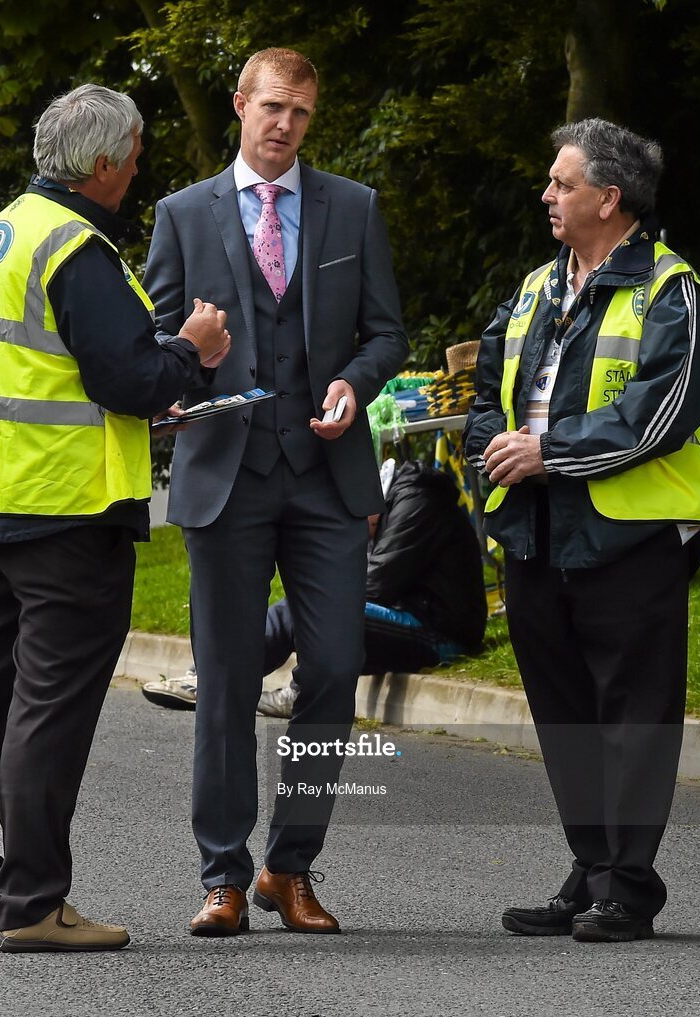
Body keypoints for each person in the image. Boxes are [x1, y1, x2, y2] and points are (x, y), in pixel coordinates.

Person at [0, 84, 230, 953]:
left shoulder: (4, 233)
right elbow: (127, 378)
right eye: (134, 153)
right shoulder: (78, 246)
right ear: (101, 163)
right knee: (47, 710)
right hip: (66, 513)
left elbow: (50, 375)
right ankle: (33, 907)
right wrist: (195, 349)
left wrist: (153, 380)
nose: (140, 165)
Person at [143, 47, 409, 936]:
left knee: (334, 667)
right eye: (271, 108)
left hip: (328, 478)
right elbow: (156, 340)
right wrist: (192, 354)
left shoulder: (354, 208)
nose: (285, 124)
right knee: (223, 681)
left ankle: (289, 869)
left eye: (300, 111)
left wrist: (355, 385)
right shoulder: (183, 214)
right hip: (226, 475)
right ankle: (222, 874)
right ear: (239, 105)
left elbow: (386, 335)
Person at [464, 118, 700, 942]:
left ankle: (630, 887)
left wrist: (549, 454)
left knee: (633, 717)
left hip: (627, 539)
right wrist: (488, 465)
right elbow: (485, 392)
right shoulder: (538, 285)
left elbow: (661, 418)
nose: (547, 195)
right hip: (534, 533)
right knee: (565, 712)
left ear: (608, 199)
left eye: (562, 184)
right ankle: (593, 867)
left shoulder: (671, 291)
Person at [142, 459, 487, 715]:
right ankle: (215, 674)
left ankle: (220, 677)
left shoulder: (417, 502)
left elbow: (377, 581)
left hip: (440, 633)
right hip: (413, 614)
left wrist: (319, 589)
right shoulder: (398, 500)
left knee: (306, 608)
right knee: (305, 604)